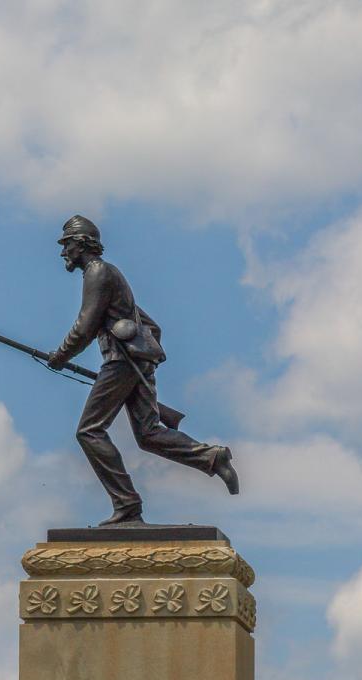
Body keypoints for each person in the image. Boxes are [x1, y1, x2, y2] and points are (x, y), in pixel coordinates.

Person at [48, 215, 239, 526]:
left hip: (122, 362)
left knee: (89, 431)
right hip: (133, 363)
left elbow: (85, 327)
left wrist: (60, 355)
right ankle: (212, 457)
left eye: (66, 244)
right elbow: (151, 326)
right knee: (149, 433)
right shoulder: (111, 275)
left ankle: (126, 504)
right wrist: (145, 361)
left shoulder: (97, 272)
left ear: (81, 244)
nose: (63, 252)